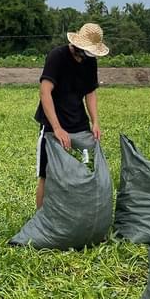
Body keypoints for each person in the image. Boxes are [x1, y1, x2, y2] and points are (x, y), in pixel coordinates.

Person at [34, 22, 109, 208]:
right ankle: (41, 219)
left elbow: (90, 93)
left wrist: (95, 122)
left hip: (79, 124)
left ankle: (79, 215)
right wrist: (57, 128)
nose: (87, 56)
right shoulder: (57, 57)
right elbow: (45, 92)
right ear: (77, 45)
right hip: (52, 125)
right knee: (47, 174)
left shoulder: (90, 62)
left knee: (83, 171)